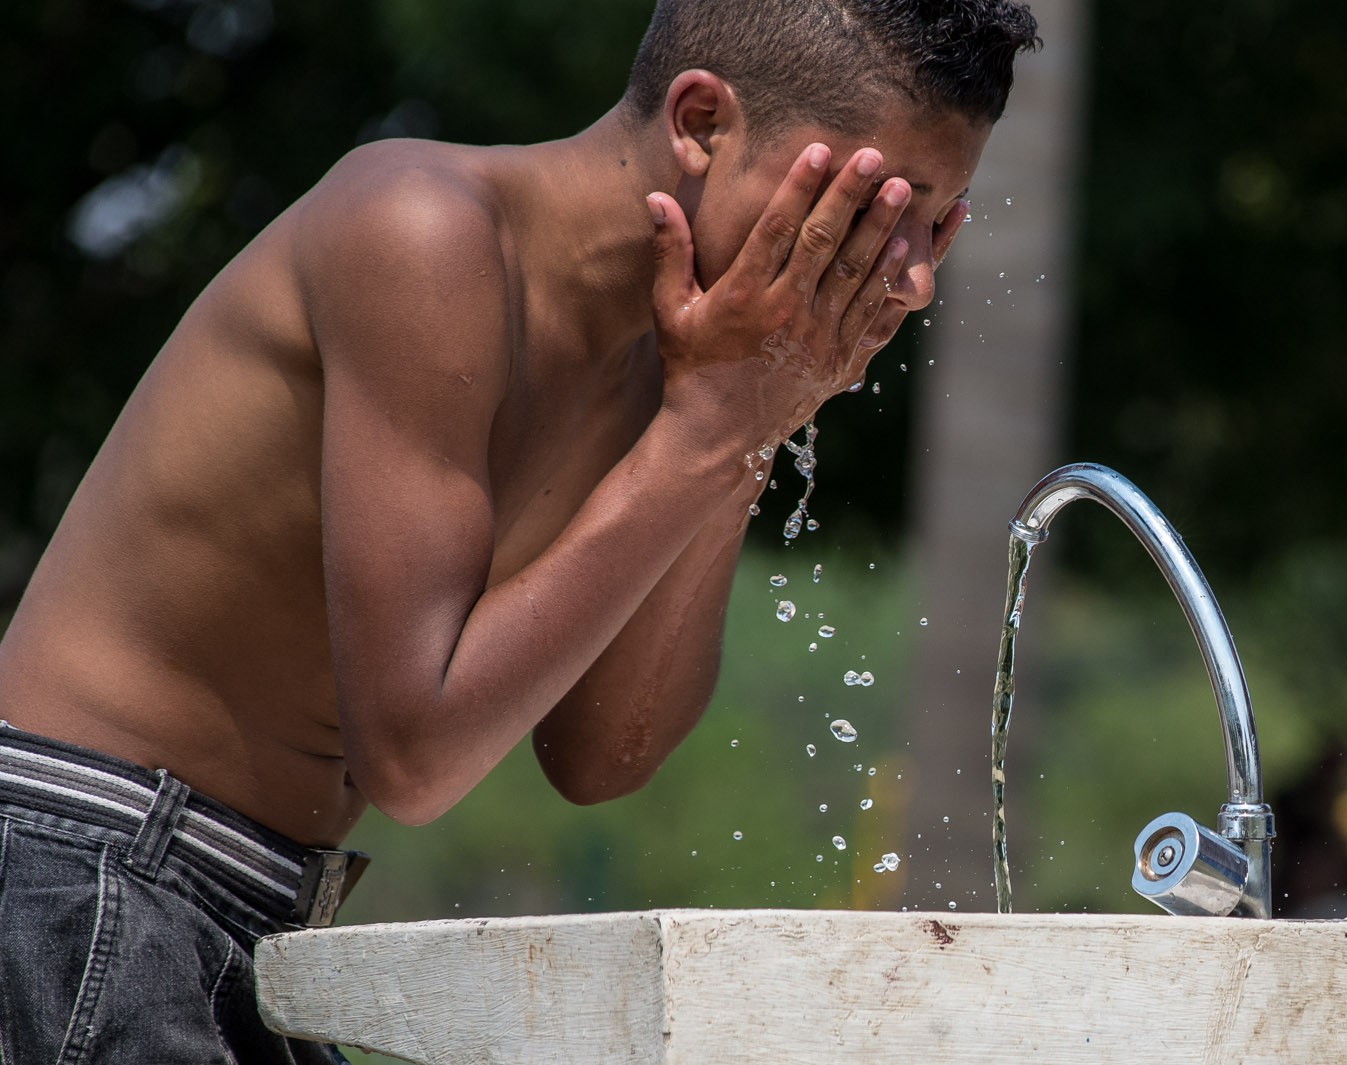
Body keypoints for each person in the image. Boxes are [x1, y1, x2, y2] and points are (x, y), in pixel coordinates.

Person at [0, 1, 1040, 1060]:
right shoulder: (422, 230)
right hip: (79, 863)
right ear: (698, 123)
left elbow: (602, 757)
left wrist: (742, 433)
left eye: (937, 223)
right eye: (878, 206)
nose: (907, 276)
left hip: (237, 909)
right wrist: (707, 432)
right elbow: (413, 759)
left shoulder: (684, 365)